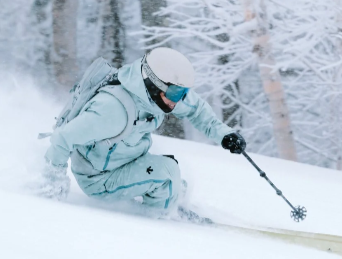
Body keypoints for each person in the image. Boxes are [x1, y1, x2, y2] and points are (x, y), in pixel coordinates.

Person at [43, 48, 246, 210]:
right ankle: (159, 225)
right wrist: (53, 185)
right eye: (177, 93)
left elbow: (196, 109)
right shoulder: (113, 110)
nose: (181, 99)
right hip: (99, 178)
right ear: (153, 84)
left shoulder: (160, 96)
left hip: (124, 160)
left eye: (184, 92)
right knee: (167, 175)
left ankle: (168, 206)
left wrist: (224, 134)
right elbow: (62, 139)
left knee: (176, 184)